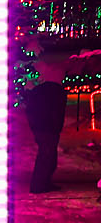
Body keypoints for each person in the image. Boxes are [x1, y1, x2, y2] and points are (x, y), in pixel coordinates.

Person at [24, 48, 68, 193]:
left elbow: (31, 109)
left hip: (43, 127)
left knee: (47, 155)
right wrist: (54, 127)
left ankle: (43, 182)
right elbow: (56, 112)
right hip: (48, 128)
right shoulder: (55, 92)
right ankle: (40, 184)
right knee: (47, 156)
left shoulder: (40, 91)